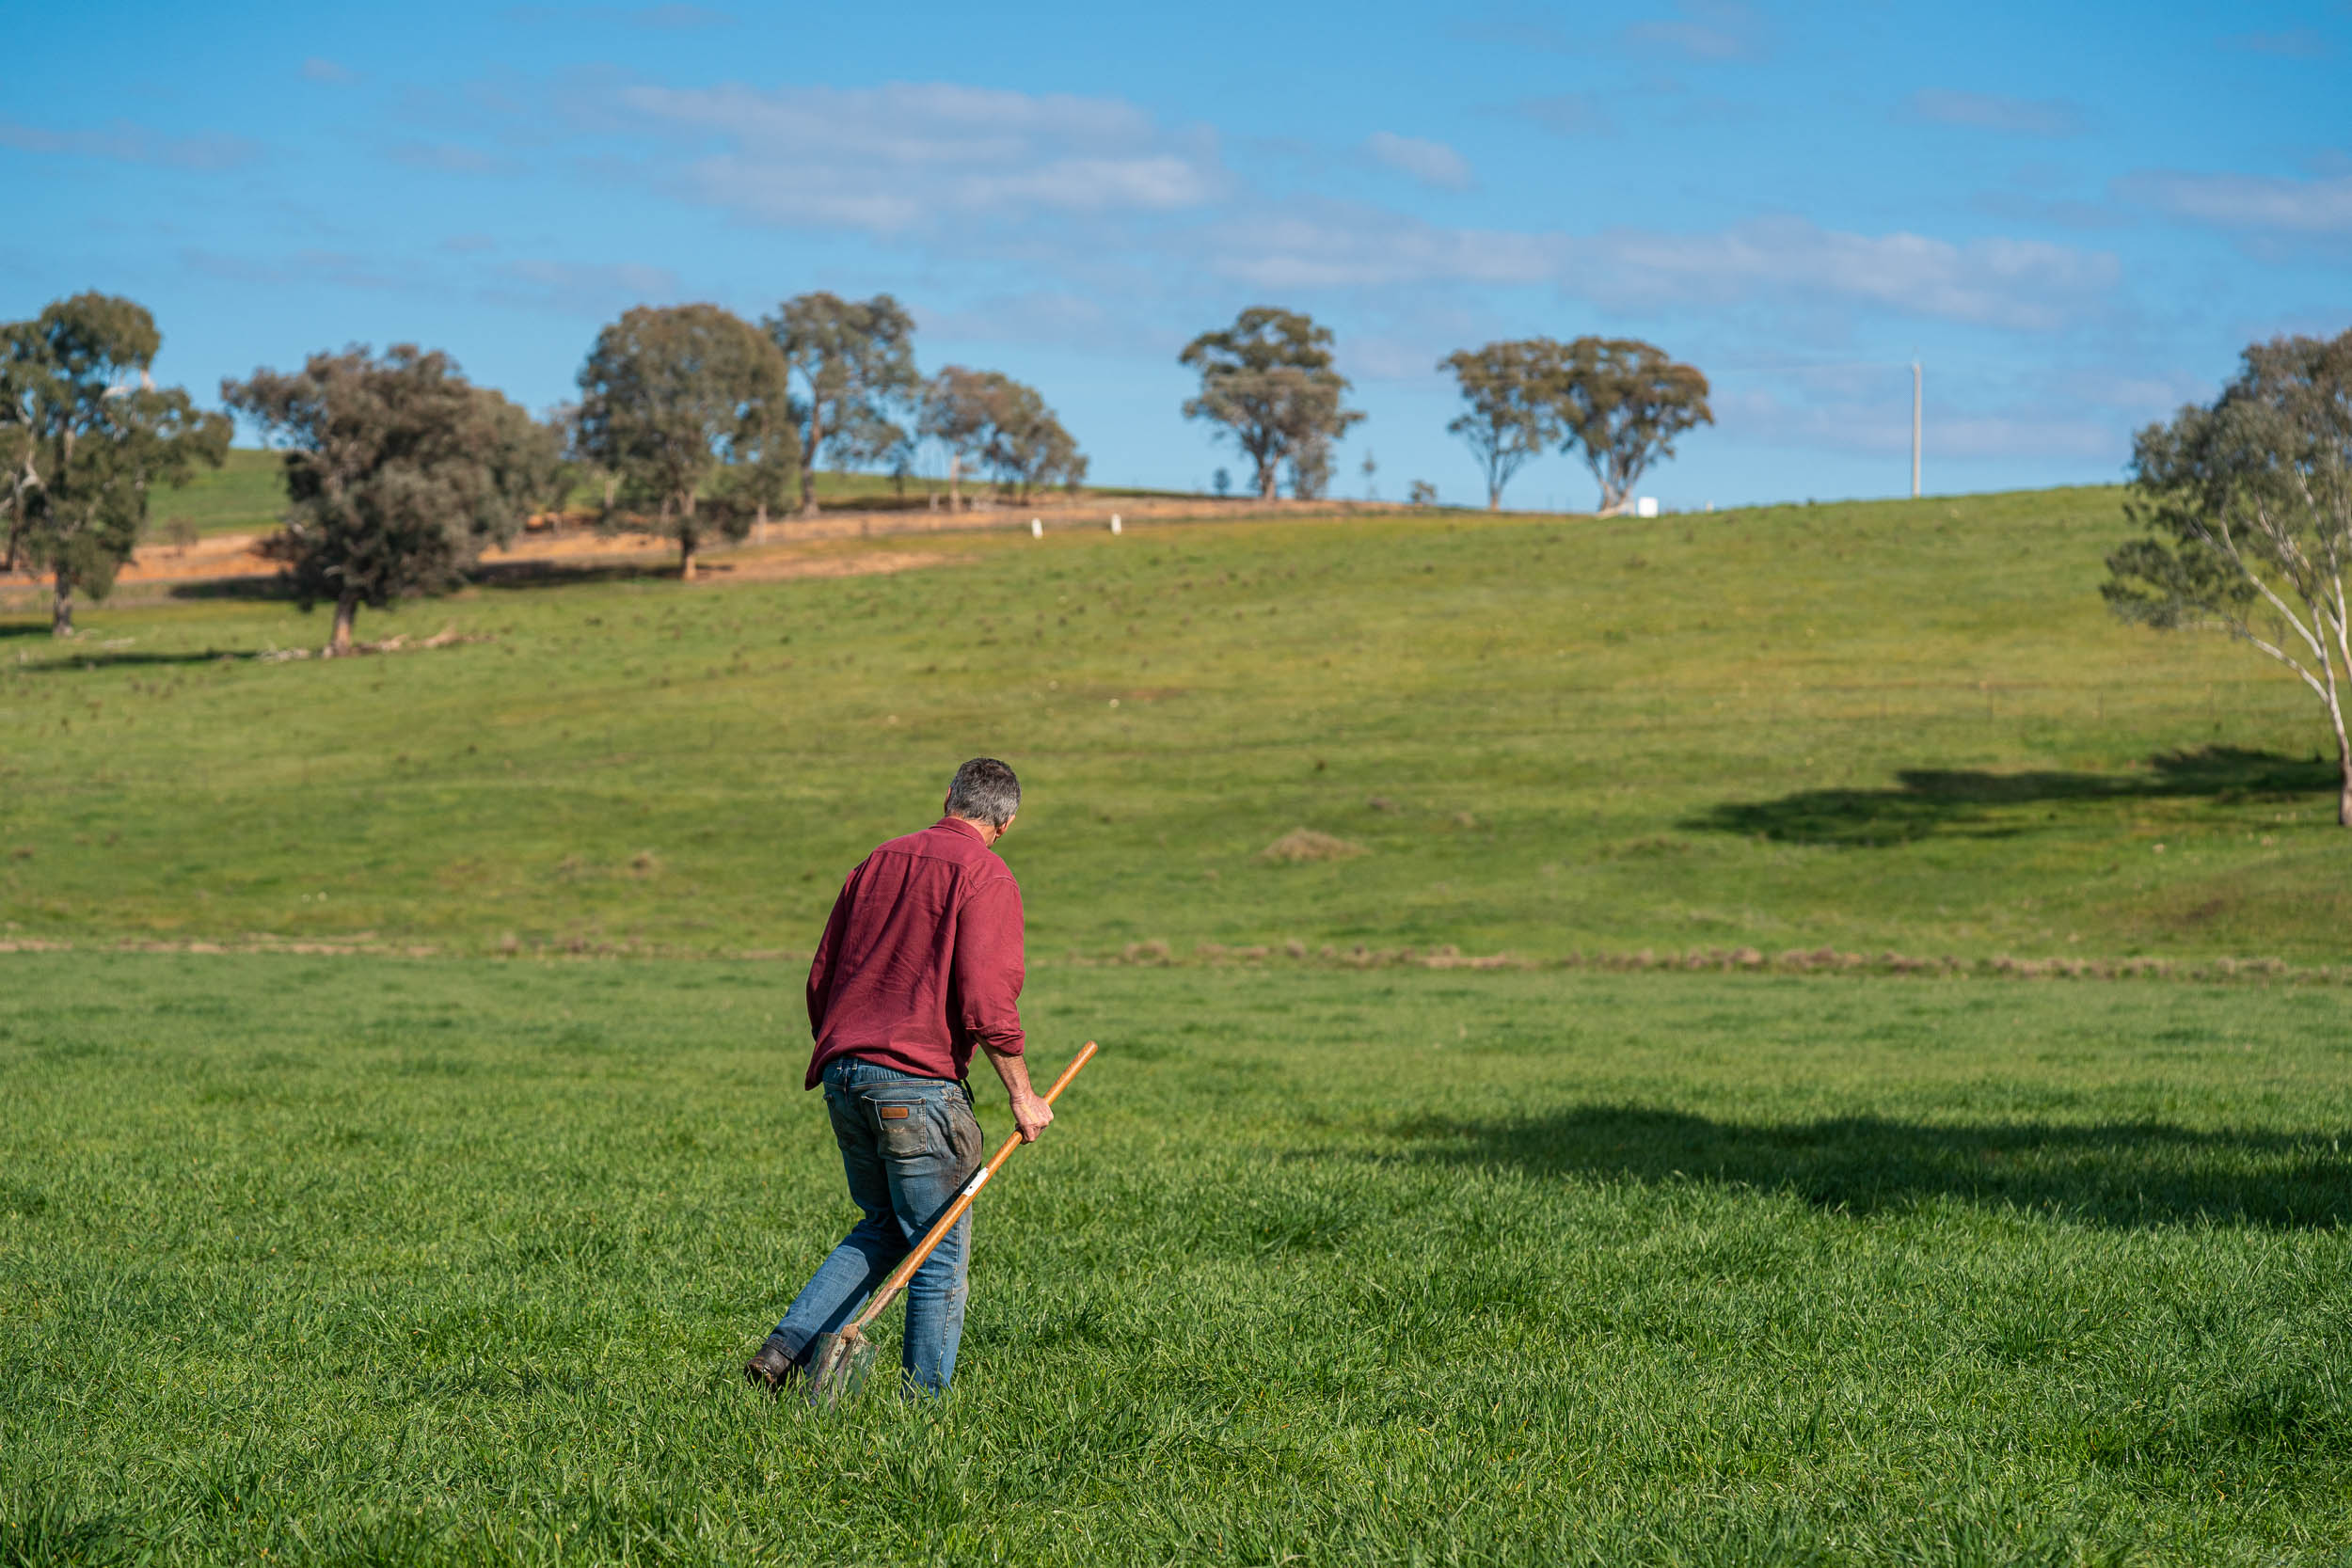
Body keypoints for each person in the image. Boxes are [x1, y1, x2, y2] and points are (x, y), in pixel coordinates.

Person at [745, 757, 1051, 1396]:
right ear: (1008, 820)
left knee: (885, 1224)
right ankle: (921, 1416)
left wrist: (844, 1054)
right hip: (918, 1087)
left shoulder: (878, 860)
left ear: (949, 797)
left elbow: (822, 974)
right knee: (937, 1253)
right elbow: (987, 1002)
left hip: (844, 1074)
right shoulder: (986, 874)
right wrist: (1023, 1095)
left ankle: (785, 1349)